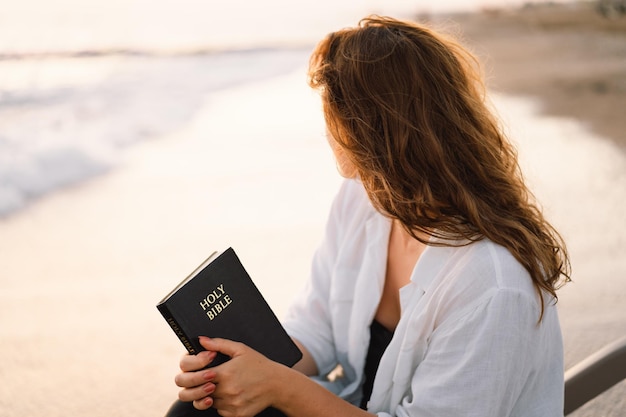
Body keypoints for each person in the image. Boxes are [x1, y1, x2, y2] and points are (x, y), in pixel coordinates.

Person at [165, 15, 571, 417]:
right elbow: (314, 331)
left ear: (369, 129)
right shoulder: (364, 199)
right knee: (200, 412)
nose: (326, 130)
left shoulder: (492, 284)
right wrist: (240, 368)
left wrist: (281, 388)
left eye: (332, 114)